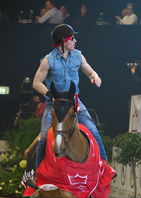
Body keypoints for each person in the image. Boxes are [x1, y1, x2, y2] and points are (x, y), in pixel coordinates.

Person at [32, 24, 106, 168]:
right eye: (72, 38)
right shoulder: (48, 60)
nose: (75, 41)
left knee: (93, 128)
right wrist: (49, 94)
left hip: (74, 103)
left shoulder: (78, 56)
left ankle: (104, 164)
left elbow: (90, 72)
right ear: (62, 41)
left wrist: (95, 77)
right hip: (54, 104)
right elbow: (36, 83)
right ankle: (37, 171)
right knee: (44, 137)